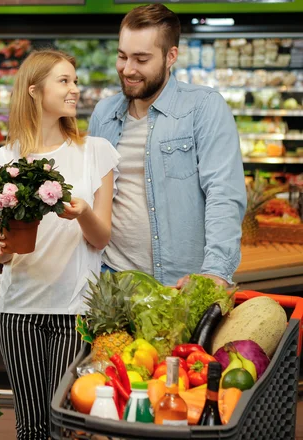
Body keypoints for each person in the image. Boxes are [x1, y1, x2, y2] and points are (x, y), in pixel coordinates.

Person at [0, 49, 120, 439]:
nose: (75, 89)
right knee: (30, 426)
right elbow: (0, 254)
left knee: (64, 426)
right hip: (17, 312)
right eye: (64, 81)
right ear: (34, 90)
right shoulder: (2, 159)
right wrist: (2, 243)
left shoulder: (95, 153)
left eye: (75, 81)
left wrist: (82, 213)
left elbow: (102, 239)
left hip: (73, 312)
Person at [89, 4, 246, 288]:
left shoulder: (203, 107)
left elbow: (224, 193)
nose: (128, 69)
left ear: (171, 55)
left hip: (179, 284)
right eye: (122, 56)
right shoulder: (103, 114)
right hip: (111, 280)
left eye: (141, 59)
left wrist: (216, 271)